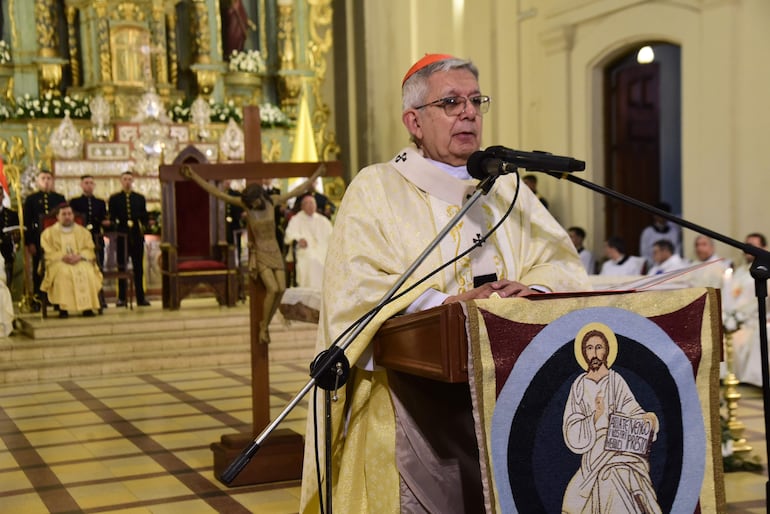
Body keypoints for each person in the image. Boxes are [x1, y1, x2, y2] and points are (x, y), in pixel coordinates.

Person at [299, 54, 589, 513]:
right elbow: (354, 288)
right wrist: (445, 304)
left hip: (509, 401)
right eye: (452, 102)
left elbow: (560, 262)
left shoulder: (508, 188)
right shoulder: (377, 188)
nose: (469, 112)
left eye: (476, 100)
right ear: (413, 121)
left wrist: (533, 292)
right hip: (408, 407)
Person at [180, 165, 326, 343]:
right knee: (272, 289)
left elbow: (298, 190)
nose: (253, 205)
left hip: (275, 251)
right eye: (251, 203)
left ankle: (267, 322)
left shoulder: (272, 201)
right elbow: (217, 194)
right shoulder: (246, 204)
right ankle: (263, 327)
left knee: (281, 289)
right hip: (261, 252)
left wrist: (317, 174)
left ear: (260, 196)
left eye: (255, 202)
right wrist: (194, 176)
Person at [562, 323, 661, 513]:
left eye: (599, 347)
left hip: (619, 452)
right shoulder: (579, 385)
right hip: (593, 456)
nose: (594, 353)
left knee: (616, 476)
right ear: (584, 352)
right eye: (589, 348)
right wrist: (594, 417)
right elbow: (571, 424)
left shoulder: (616, 380)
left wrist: (648, 419)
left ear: (606, 351)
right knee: (573, 497)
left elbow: (633, 411)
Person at [40, 203, 103, 318]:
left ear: (73, 216)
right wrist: (63, 256)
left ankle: (87, 308)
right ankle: (63, 309)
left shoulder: (83, 232)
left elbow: (89, 249)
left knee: (88, 271)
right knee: (63, 273)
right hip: (58, 262)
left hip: (80, 260)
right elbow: (47, 251)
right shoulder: (49, 233)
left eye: (69, 214)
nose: (67, 216)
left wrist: (80, 256)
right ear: (58, 217)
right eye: (64, 214)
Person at [724, 232, 768, 387]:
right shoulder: (740, 270)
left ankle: (750, 380)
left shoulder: (764, 269)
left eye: (752, 246)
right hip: (736, 317)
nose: (747, 249)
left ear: (763, 248)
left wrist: (740, 316)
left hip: (754, 318)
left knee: (739, 339)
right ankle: (727, 377)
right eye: (745, 245)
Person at [108, 171, 150, 307]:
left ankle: (141, 297)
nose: (127, 182)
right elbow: (112, 218)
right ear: (121, 181)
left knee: (138, 267)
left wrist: (146, 223)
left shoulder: (140, 198)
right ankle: (121, 298)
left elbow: (144, 216)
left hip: (136, 235)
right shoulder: (114, 199)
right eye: (125, 179)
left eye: (129, 179)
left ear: (133, 181)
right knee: (122, 267)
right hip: (122, 236)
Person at [23, 169, 66, 303]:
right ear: (37, 181)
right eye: (43, 178)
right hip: (37, 238)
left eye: (49, 178)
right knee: (38, 268)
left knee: (57, 266)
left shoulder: (59, 198)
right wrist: (29, 243)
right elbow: (27, 223)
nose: (46, 181)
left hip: (57, 238)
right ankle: (39, 297)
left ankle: (57, 297)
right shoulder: (31, 199)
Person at [70, 175, 110, 308]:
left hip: (97, 239)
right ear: (81, 185)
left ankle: (99, 298)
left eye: (91, 183)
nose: (89, 185)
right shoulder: (74, 202)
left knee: (98, 268)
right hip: (80, 241)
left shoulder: (100, 202)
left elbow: (104, 219)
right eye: (86, 183)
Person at [283, 194, 333, 289]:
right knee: (312, 260)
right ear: (302, 206)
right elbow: (289, 235)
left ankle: (327, 291)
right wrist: (298, 239)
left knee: (329, 261)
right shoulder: (296, 219)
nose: (311, 205)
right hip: (305, 250)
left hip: (323, 249)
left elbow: (332, 236)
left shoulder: (323, 220)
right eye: (307, 203)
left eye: (312, 203)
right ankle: (309, 291)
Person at [638, 202, 681, 269]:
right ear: (654, 215)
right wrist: (656, 264)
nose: (662, 217)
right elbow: (644, 253)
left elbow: (677, 250)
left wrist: (668, 263)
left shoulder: (674, 231)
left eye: (665, 214)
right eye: (660, 215)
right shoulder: (647, 232)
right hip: (653, 266)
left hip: (671, 267)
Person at [0, 187, 20, 285]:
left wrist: (16, 238)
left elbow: (17, 237)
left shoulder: (12, 214)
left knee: (6, 284)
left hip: (6, 252)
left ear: (3, 196)